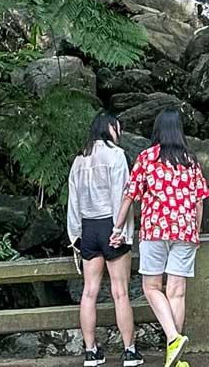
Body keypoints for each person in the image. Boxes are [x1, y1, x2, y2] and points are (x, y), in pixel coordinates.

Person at [111, 109, 209, 367]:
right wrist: (195, 232)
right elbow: (199, 202)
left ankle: (174, 338)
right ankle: (174, 359)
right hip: (186, 230)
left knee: (151, 287)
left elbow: (130, 195)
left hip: (156, 228)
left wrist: (118, 227)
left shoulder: (146, 158)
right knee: (177, 293)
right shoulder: (191, 160)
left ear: (157, 130)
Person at [67, 112, 143, 367]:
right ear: (110, 128)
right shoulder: (116, 156)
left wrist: (75, 235)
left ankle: (90, 352)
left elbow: (73, 201)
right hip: (110, 223)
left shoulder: (79, 159)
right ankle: (130, 351)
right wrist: (120, 231)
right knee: (120, 292)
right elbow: (121, 195)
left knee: (89, 292)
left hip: (87, 227)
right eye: (117, 127)